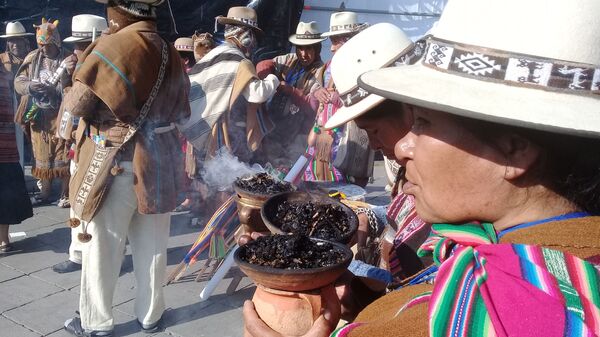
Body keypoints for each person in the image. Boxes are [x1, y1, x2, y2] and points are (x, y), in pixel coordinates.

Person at [244, 0, 600, 335]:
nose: (402, 146)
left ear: (515, 152)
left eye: (423, 123)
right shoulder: (518, 252)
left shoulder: (499, 308)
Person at [62, 0, 190, 335]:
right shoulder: (169, 50)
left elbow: (77, 104)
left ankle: (96, 322)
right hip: (159, 164)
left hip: (116, 163)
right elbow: (185, 111)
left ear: (120, 11)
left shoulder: (111, 45)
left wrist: (87, 57)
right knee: (153, 247)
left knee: (103, 248)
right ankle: (151, 316)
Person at [320, 23, 432, 297]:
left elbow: (415, 288)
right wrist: (367, 215)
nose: (373, 144)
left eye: (375, 131)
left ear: (411, 110)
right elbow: (400, 212)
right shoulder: (411, 168)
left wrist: (350, 270)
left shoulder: (442, 188)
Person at [177, 6, 279, 214]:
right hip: (224, 136)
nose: (253, 41)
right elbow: (256, 94)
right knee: (229, 186)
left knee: (215, 186)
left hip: (206, 132)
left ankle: (216, 233)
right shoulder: (239, 61)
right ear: (245, 35)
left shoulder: (214, 55)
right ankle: (224, 230)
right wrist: (273, 79)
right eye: (251, 35)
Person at [52, 14, 108, 274]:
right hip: (80, 143)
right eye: (75, 45)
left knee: (97, 205)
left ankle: (102, 258)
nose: (75, 51)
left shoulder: (103, 68)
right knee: (76, 200)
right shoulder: (77, 69)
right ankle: (77, 254)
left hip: (101, 144)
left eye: (81, 45)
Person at [303, 12, 370, 185]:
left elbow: (370, 97)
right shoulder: (327, 67)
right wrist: (317, 93)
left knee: (346, 189)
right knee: (318, 185)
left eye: (335, 41)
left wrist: (341, 99)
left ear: (349, 40)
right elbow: (314, 97)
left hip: (349, 138)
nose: (331, 48)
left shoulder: (365, 65)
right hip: (323, 135)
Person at [14, 18, 70, 206]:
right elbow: (18, 81)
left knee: (63, 153)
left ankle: (65, 192)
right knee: (42, 153)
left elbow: (75, 86)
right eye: (40, 44)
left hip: (61, 114)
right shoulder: (32, 58)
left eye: (46, 44)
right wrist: (30, 86)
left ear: (55, 42)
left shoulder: (67, 60)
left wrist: (60, 87)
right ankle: (45, 192)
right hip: (38, 114)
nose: (43, 48)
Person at [255, 21, 325, 170]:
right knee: (269, 167)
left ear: (317, 48)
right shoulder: (290, 59)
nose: (303, 54)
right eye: (300, 48)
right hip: (276, 125)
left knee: (290, 168)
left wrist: (290, 91)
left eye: (309, 49)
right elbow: (263, 64)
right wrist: (270, 76)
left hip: (300, 133)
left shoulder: (321, 71)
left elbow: (313, 108)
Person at [0, 63, 33, 253]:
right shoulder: (5, 77)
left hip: (6, 149)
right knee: (5, 197)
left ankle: (4, 240)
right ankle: (3, 241)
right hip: (7, 150)